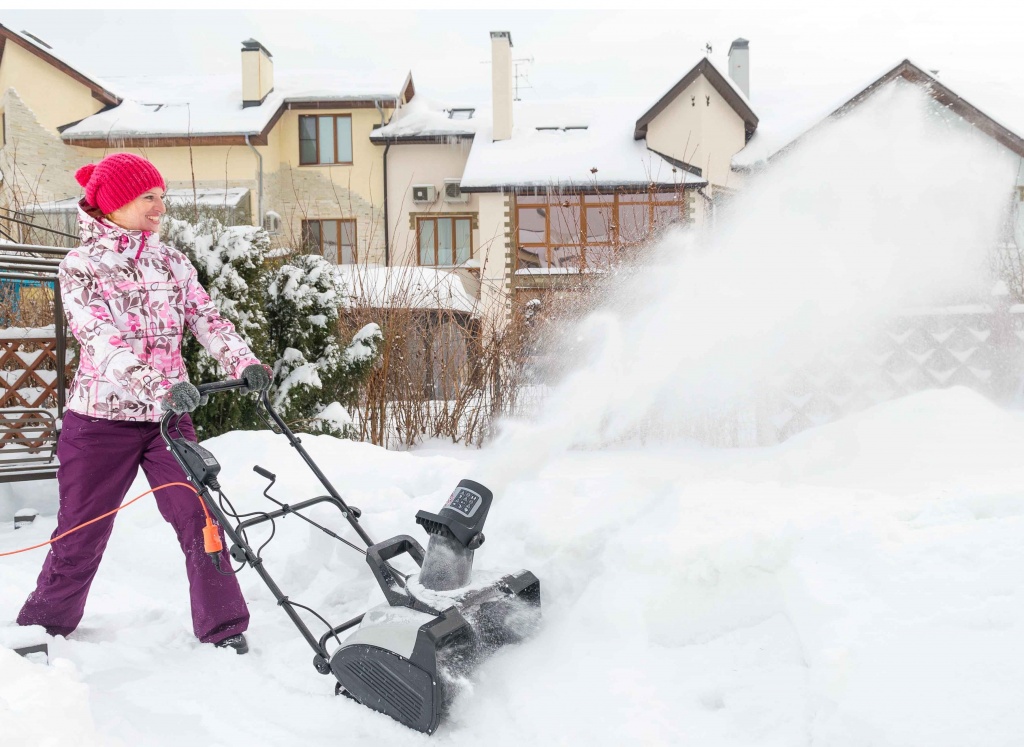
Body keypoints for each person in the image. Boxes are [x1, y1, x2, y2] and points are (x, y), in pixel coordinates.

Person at [16, 153, 272, 655]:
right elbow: (101, 342)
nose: (160, 208)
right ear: (114, 204)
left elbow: (209, 320)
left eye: (162, 196)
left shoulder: (172, 262)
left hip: (168, 422)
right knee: (81, 532)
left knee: (201, 518)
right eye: (148, 197)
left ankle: (224, 627)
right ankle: (44, 626)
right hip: (98, 422)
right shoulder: (81, 267)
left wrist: (244, 363)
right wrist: (156, 385)